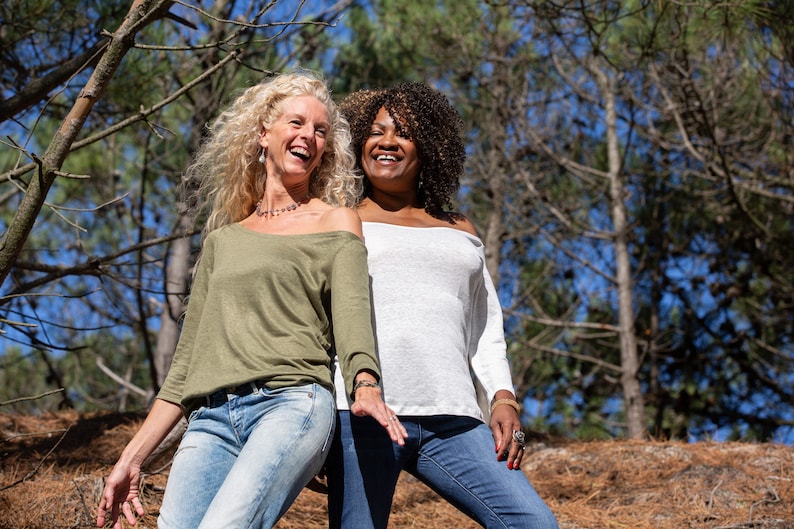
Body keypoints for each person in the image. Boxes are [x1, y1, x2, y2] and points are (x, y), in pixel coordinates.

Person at [96, 71, 407, 529]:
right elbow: (185, 369)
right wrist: (132, 457)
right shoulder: (223, 240)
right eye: (297, 123)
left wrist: (365, 382)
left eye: (321, 131)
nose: (309, 137)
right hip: (210, 423)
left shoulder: (335, 221)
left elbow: (352, 312)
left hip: (291, 404)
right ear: (263, 133)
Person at [325, 83, 558, 529]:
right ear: (359, 143)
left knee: (533, 523)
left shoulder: (460, 226)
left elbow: (484, 327)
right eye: (376, 131)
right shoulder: (339, 217)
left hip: (455, 418)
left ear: (428, 148)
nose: (387, 141)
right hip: (361, 412)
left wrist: (502, 398)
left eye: (403, 133)